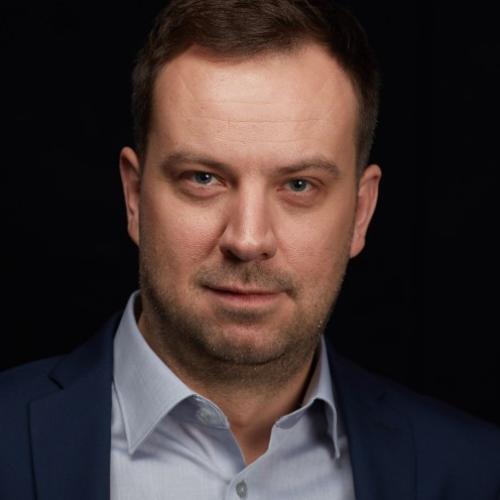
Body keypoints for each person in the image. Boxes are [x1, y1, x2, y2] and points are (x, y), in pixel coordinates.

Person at [1, 1, 499, 499]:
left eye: (299, 185)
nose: (247, 239)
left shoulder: (476, 472)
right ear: (134, 198)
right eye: (203, 178)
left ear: (361, 213)